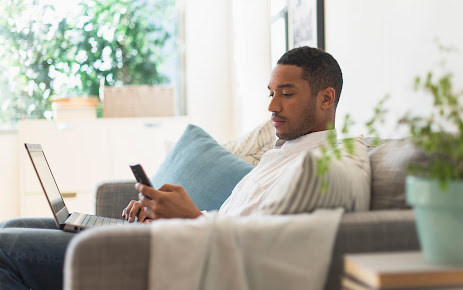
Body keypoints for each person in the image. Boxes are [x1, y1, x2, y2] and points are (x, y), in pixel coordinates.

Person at [0, 46, 343, 290]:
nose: (271, 105)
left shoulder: (320, 168)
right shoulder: (284, 153)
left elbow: (262, 251)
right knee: (13, 224)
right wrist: (167, 216)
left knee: (4, 248)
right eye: (270, 93)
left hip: (176, 257)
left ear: (326, 99)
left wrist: (190, 217)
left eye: (286, 93)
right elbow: (239, 223)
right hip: (176, 238)